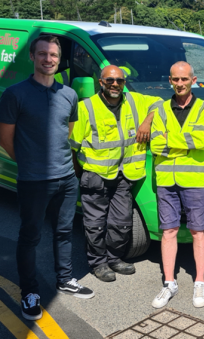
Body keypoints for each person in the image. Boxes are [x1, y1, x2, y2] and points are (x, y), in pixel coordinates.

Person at [0, 35, 94, 321]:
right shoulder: (15, 94)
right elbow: (5, 139)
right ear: (32, 56)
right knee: (30, 236)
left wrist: (57, 162)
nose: (48, 59)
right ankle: (29, 291)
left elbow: (68, 131)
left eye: (53, 55)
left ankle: (65, 280)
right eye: (42, 54)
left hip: (66, 177)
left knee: (64, 232)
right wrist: (30, 161)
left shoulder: (68, 95)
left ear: (58, 59)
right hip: (33, 180)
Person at [69, 65, 161, 282]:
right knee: (95, 224)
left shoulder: (135, 101)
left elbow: (160, 103)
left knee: (121, 222)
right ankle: (98, 263)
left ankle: (114, 258)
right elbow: (72, 145)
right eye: (110, 81)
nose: (115, 84)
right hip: (95, 175)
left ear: (124, 83)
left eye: (119, 81)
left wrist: (147, 120)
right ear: (101, 82)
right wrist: (78, 172)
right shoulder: (86, 108)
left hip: (125, 175)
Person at [149, 61, 204, 308]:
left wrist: (169, 141)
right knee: (169, 232)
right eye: (175, 79)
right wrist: (180, 143)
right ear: (170, 80)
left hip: (196, 179)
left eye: (184, 79)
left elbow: (198, 140)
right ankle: (169, 283)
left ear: (193, 80)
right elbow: (155, 144)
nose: (180, 84)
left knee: (199, 232)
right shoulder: (161, 109)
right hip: (166, 178)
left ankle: (199, 282)